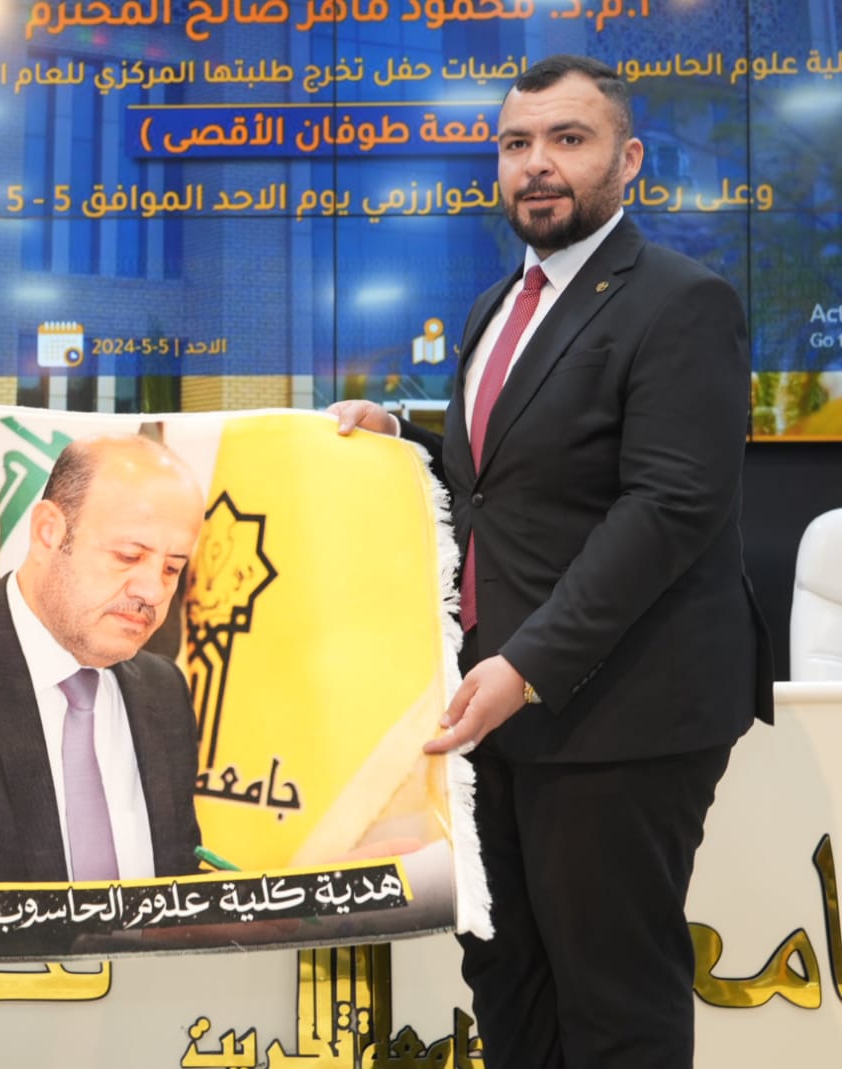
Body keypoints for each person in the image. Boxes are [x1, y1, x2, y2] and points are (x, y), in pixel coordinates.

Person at [328, 54, 773, 1069]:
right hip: (493, 712)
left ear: (629, 160)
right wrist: (398, 441)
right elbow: (496, 483)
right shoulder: (496, 306)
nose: (536, 163)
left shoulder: (683, 301)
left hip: (618, 709)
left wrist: (525, 664)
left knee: (613, 999)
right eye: (516, 143)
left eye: (568, 140)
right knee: (508, 981)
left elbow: (669, 506)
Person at [0, 434, 205, 884]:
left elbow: (181, 880)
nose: (152, 591)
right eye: (129, 556)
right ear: (49, 532)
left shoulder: (164, 691)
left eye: (172, 568)